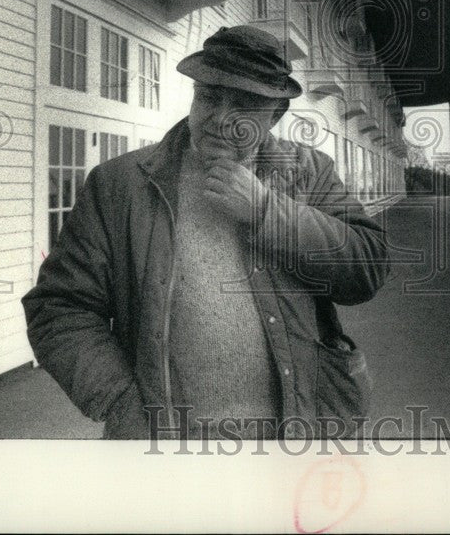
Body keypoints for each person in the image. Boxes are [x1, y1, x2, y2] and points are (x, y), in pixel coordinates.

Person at [22, 25, 390, 440]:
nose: (220, 119)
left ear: (275, 114)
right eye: (209, 96)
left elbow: (367, 268)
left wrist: (266, 211)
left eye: (245, 104)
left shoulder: (309, 173)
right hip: (166, 441)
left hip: (292, 429)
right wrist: (120, 402)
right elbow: (59, 308)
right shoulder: (119, 184)